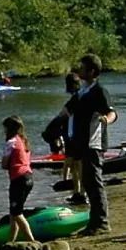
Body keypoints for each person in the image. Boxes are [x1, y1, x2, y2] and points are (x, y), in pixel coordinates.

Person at [66, 54, 116, 235]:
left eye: (82, 67)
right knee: (88, 182)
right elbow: (67, 110)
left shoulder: (99, 91)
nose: (79, 70)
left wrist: (106, 120)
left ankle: (102, 223)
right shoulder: (83, 91)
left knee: (95, 182)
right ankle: (94, 222)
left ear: (92, 71)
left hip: (94, 143)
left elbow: (112, 113)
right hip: (82, 143)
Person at [44, 73, 84, 203]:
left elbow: (64, 114)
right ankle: (78, 192)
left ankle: (80, 192)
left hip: (75, 134)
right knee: (76, 164)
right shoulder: (80, 96)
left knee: (76, 164)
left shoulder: (78, 98)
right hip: (72, 134)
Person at [1, 116, 37, 243]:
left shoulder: (11, 142)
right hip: (28, 178)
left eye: (5, 128)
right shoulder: (23, 141)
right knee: (13, 213)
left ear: (9, 128)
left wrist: (8, 162)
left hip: (18, 180)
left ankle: (32, 242)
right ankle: (10, 242)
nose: (4, 130)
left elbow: (4, 164)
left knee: (17, 214)